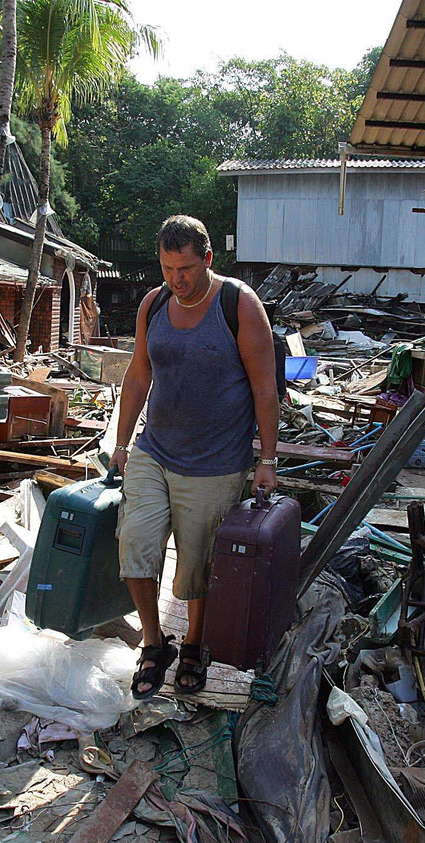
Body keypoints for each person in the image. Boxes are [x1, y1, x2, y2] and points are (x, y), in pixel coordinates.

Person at [109, 215, 279, 699]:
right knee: (135, 549)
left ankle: (194, 645)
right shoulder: (154, 304)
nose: (176, 279)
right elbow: (139, 375)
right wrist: (121, 445)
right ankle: (154, 642)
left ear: (207, 259)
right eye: (166, 268)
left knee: (195, 567)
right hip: (154, 451)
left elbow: (266, 387)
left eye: (185, 268)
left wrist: (266, 459)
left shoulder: (238, 305)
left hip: (215, 463)